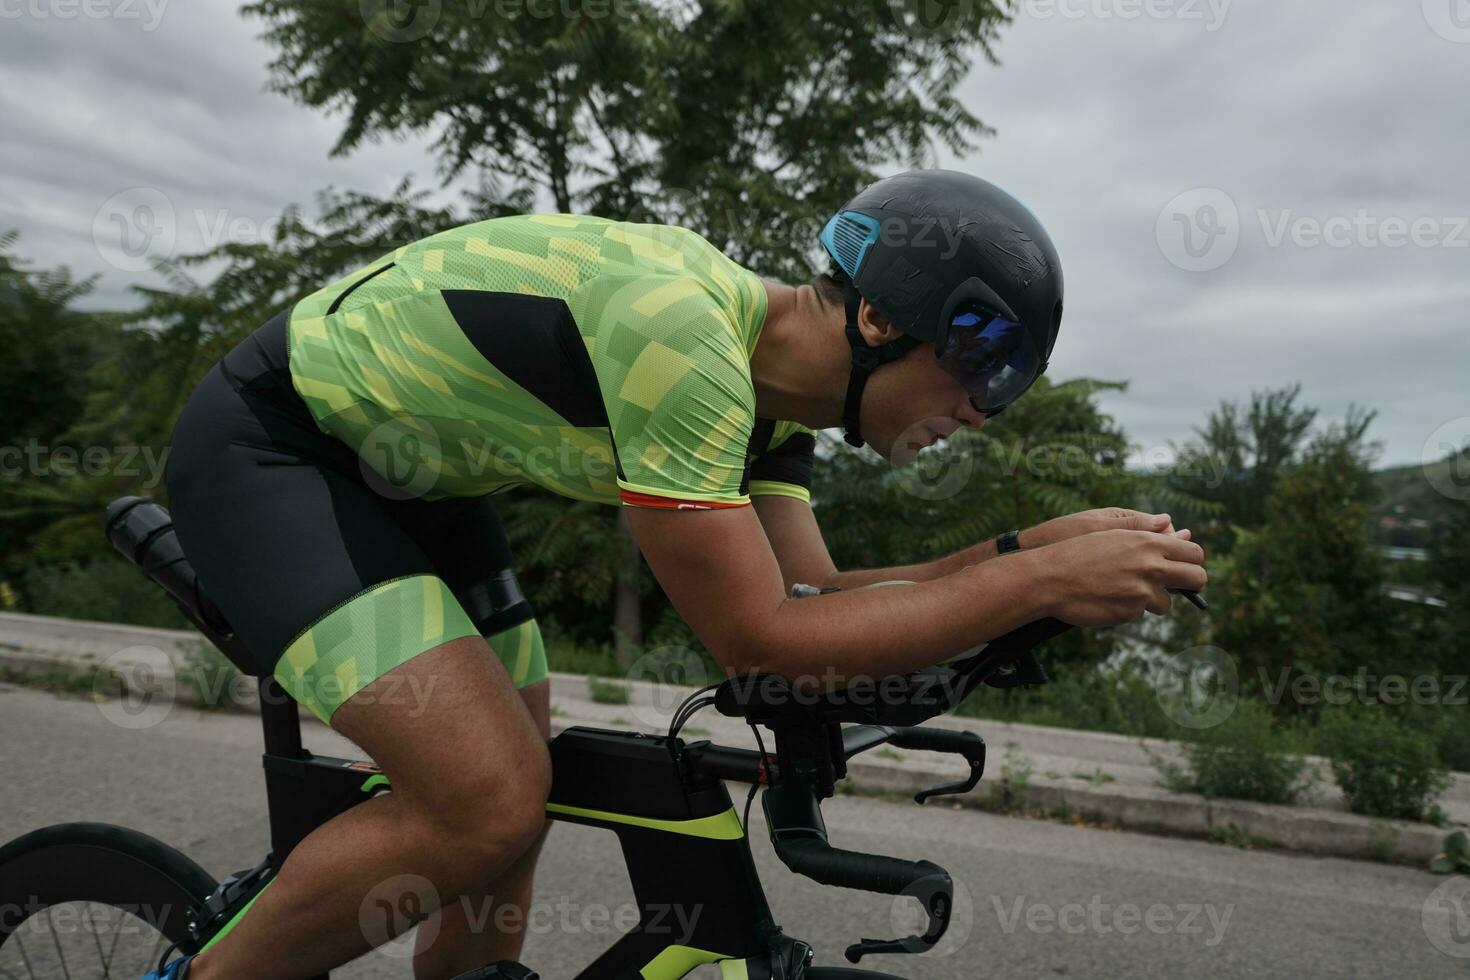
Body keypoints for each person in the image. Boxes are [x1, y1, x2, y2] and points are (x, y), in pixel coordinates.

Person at [148, 169, 1207, 979]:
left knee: (518, 787)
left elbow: (819, 607)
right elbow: (760, 641)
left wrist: (1029, 551)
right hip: (278, 449)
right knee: (489, 801)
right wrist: (1035, 588)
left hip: (414, 486)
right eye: (982, 361)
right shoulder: (685, 340)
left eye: (1007, 382)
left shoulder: (770, 407)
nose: (983, 407)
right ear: (880, 318)